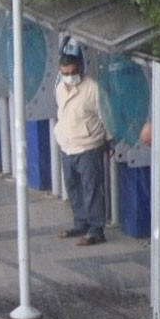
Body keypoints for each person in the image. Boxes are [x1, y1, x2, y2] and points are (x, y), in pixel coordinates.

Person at [53, 53, 109, 245]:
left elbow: (106, 116)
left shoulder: (93, 88)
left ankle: (96, 229)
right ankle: (81, 222)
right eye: (66, 73)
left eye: (73, 72)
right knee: (73, 186)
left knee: (91, 188)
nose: (70, 77)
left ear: (80, 69)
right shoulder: (60, 88)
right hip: (67, 145)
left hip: (88, 145)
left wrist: (109, 141)